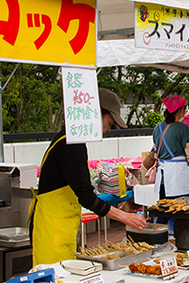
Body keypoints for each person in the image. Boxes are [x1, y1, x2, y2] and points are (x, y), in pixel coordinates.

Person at [30, 88, 146, 265]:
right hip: (51, 232)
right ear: (94, 113)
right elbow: (86, 196)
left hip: (59, 229)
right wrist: (124, 217)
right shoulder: (71, 144)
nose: (108, 129)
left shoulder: (70, 140)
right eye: (109, 122)